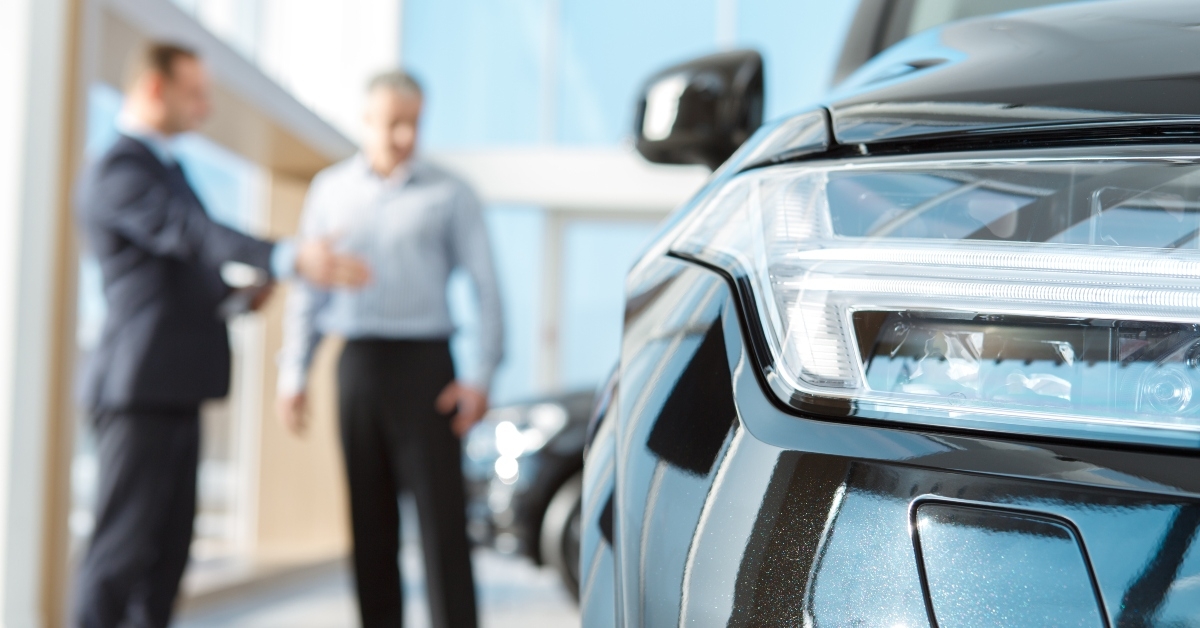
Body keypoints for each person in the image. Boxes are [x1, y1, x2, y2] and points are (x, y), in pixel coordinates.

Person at [73, 42, 370, 628]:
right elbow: (191, 234)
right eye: (195, 94)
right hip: (138, 392)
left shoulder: (168, 168)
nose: (205, 108)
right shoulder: (120, 169)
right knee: (121, 554)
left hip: (178, 389)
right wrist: (283, 257)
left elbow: (179, 274)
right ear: (155, 89)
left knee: (167, 559)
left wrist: (238, 295)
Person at [276, 70, 503, 628]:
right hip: (357, 366)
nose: (405, 136)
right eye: (394, 123)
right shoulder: (330, 191)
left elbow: (487, 288)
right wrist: (293, 374)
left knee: (443, 526)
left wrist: (480, 376)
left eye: (414, 123)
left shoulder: (452, 193)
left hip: (427, 368)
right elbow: (311, 290)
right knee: (369, 524)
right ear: (367, 121)